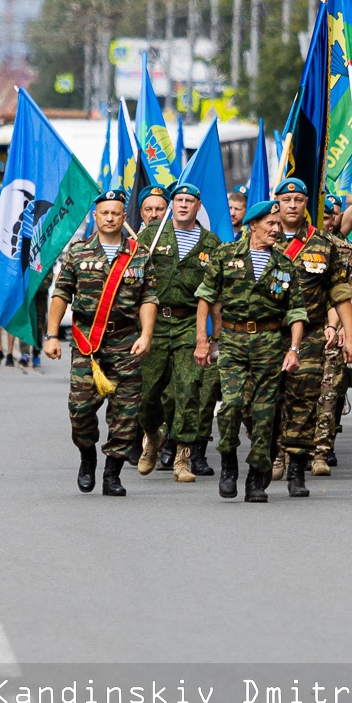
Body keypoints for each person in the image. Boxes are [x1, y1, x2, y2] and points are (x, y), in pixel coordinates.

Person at [45, 189, 158, 497]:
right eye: (104, 213)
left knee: (125, 412)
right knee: (79, 410)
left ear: (124, 217)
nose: (110, 218)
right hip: (88, 344)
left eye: (116, 213)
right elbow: (61, 294)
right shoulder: (78, 252)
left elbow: (148, 297)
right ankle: (87, 456)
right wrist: (52, 335)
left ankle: (112, 473)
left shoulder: (139, 253)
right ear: (95, 217)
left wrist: (146, 335)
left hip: (126, 341)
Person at [195, 199, 305, 502]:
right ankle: (228, 461)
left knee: (264, 415)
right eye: (270, 224)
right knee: (230, 405)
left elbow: (296, 311)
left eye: (278, 224)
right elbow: (205, 298)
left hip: (269, 345)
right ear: (252, 225)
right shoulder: (226, 255)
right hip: (232, 341)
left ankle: (257, 477)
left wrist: (293, 349)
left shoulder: (284, 265)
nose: (276, 229)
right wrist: (202, 341)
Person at [271, 177, 352, 497]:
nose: (292, 205)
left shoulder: (324, 244)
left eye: (298, 199)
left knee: (303, 399)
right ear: (276, 201)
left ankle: (296, 467)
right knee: (268, 399)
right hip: (268, 335)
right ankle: (274, 450)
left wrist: (349, 335)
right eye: (286, 199)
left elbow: (339, 292)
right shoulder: (260, 239)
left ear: (307, 203)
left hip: (309, 334)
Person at [136, 182, 223, 482]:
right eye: (179, 199)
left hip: (189, 324)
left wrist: (214, 339)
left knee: (188, 389)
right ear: (172, 204)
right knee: (148, 394)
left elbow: (215, 295)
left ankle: (182, 457)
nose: (183, 204)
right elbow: (134, 280)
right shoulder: (152, 234)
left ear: (199, 206)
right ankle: (151, 436)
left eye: (189, 200)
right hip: (155, 324)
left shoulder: (211, 244)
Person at [315, 194, 352, 474]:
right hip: (299, 331)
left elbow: (351, 295)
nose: (323, 222)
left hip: (334, 332)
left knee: (330, 391)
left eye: (328, 217)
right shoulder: (289, 248)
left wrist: (351, 333)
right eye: (318, 217)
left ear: (334, 220)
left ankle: (323, 450)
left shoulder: (347, 252)